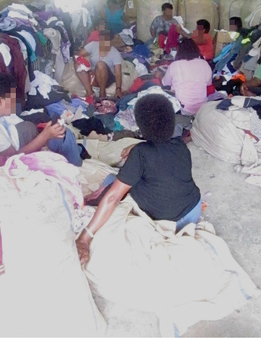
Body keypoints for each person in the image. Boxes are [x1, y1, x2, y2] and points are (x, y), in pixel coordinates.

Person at [76, 94, 201, 265]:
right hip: (193, 210)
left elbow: (113, 197)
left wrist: (84, 238)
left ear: (141, 125)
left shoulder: (141, 154)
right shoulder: (181, 147)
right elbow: (160, 152)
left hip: (167, 220)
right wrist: (138, 145)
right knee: (135, 180)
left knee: (113, 186)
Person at [0, 73, 65, 158]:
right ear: (0, 101)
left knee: (43, 123)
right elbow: (12, 158)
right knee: (64, 139)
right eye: (12, 99)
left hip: (17, 136)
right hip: (15, 152)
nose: (15, 103)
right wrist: (45, 136)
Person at [162, 38, 212, 115]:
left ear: (179, 51)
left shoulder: (175, 65)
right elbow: (209, 83)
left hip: (183, 108)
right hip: (202, 108)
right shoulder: (205, 64)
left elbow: (165, 83)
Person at [76, 29, 123, 100]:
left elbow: (117, 73)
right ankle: (89, 92)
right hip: (94, 76)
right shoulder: (93, 45)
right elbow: (78, 55)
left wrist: (118, 89)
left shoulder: (115, 53)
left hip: (107, 79)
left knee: (100, 64)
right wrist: (85, 63)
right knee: (77, 62)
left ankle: (102, 92)